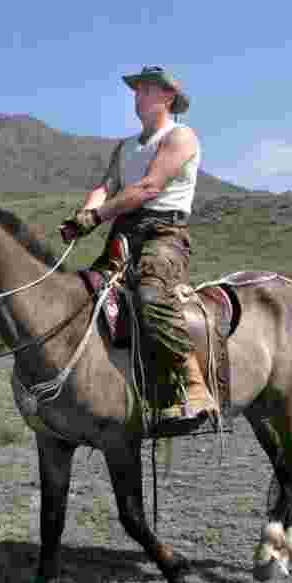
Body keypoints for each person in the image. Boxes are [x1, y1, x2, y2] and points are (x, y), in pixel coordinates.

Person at [60, 65, 218, 434]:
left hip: (165, 233)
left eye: (147, 89)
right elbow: (107, 185)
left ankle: (195, 386)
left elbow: (148, 187)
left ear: (167, 97)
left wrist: (96, 216)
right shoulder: (125, 146)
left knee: (149, 294)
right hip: (124, 232)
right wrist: (84, 214)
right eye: (137, 90)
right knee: (85, 292)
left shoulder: (181, 137)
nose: (138, 95)